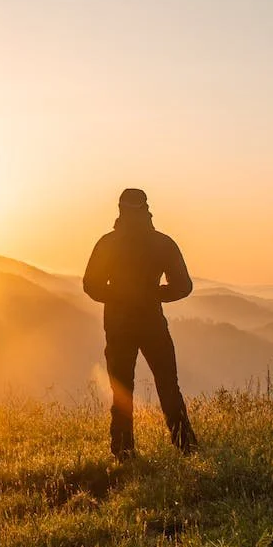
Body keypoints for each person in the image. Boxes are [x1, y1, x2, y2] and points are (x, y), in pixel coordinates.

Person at [82, 188, 196, 458]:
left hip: (118, 324)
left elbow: (91, 285)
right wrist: (153, 294)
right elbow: (184, 286)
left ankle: (123, 451)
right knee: (168, 385)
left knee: (122, 389)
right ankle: (186, 446)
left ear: (120, 210)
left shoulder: (108, 243)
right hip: (152, 322)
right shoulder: (162, 243)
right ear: (147, 210)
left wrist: (118, 296)